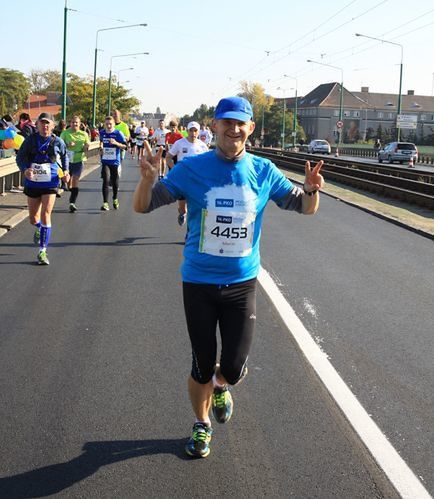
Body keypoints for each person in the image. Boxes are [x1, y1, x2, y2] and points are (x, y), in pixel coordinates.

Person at [133, 96, 324, 458]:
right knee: (202, 363)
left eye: (241, 123)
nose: (233, 129)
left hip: (241, 284)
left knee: (233, 367)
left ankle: (224, 383)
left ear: (250, 128)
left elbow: (305, 207)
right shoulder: (193, 169)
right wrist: (146, 180)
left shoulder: (264, 171)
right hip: (199, 282)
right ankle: (202, 424)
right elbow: (144, 205)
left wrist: (312, 190)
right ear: (215, 126)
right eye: (226, 122)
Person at [16, 112, 70, 265]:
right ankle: (39, 227)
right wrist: (25, 169)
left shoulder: (58, 141)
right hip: (33, 183)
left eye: (48, 123)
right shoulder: (30, 140)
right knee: (33, 219)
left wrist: (66, 172)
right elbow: (20, 157)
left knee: (46, 213)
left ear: (53, 126)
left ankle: (42, 251)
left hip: (50, 182)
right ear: (37, 124)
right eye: (42, 123)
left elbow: (65, 156)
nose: (45, 126)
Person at [166, 121, 208, 226]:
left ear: (198, 132)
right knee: (182, 207)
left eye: (195, 131)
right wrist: (175, 169)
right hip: (182, 180)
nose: (193, 133)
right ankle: (182, 213)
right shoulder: (179, 143)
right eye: (191, 130)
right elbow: (168, 157)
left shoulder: (202, 146)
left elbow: (208, 163)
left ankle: (189, 233)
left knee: (194, 208)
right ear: (187, 131)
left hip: (196, 180)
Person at [60, 115, 90, 212]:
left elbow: (87, 146)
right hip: (67, 161)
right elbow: (59, 146)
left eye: (76, 122)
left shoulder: (84, 134)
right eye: (73, 122)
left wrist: (86, 147)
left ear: (80, 124)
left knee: (75, 181)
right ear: (70, 123)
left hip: (78, 160)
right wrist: (67, 145)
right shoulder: (65, 133)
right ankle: (69, 187)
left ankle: (72, 203)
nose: (74, 124)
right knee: (69, 183)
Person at [99, 115, 127, 210]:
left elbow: (125, 146)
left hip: (115, 161)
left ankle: (115, 198)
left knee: (114, 182)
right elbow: (101, 142)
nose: (108, 126)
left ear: (114, 124)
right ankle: (105, 203)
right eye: (107, 124)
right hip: (105, 161)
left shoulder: (118, 133)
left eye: (110, 124)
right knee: (105, 180)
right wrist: (101, 147)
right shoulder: (102, 133)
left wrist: (116, 143)